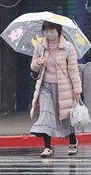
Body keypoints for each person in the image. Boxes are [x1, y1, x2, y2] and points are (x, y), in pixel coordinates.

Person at [30, 21, 82, 157]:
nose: (49, 32)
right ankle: (47, 146)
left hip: (63, 87)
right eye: (46, 30)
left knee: (65, 116)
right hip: (45, 86)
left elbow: (73, 71)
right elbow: (33, 66)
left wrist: (77, 90)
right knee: (46, 114)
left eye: (52, 29)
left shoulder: (68, 48)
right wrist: (37, 63)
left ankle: (72, 140)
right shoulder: (40, 47)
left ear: (58, 30)